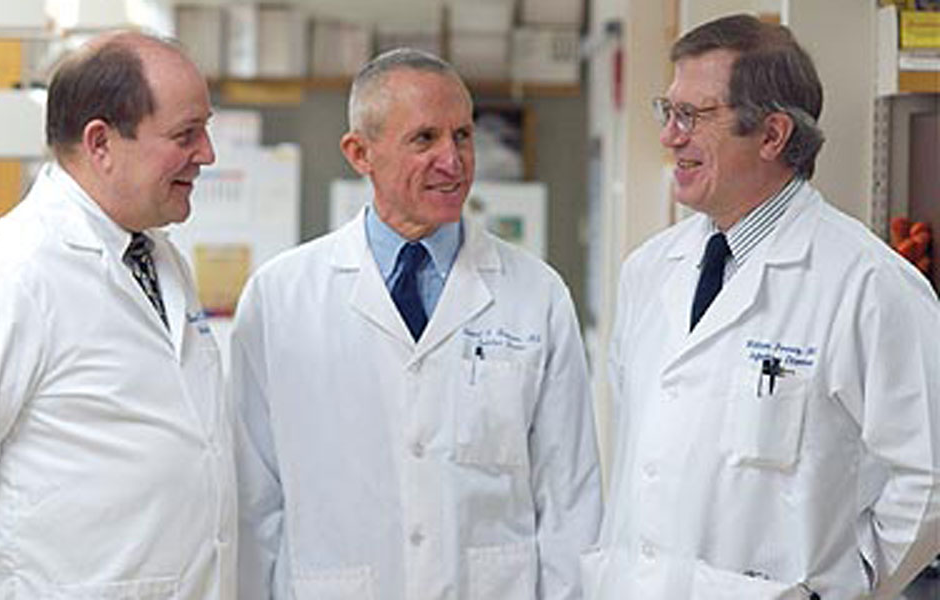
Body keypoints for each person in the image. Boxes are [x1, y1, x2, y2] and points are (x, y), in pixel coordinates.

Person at [581, 14, 940, 600]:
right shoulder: (649, 271)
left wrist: (851, 583)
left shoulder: (870, 284)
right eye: (667, 111)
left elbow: (930, 477)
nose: (670, 135)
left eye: (692, 116)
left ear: (772, 135)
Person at [232, 48, 602, 599]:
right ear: (360, 153)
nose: (452, 161)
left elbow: (570, 501)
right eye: (424, 139)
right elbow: (253, 502)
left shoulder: (536, 295)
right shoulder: (280, 297)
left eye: (463, 136)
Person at [0, 32, 236, 598]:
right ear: (100, 142)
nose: (207, 154)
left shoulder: (158, 258)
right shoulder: (9, 278)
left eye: (206, 129)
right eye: (185, 135)